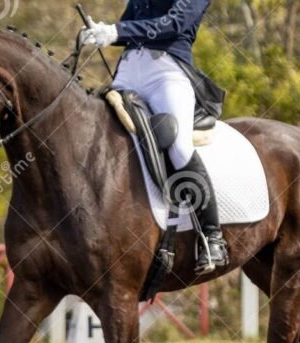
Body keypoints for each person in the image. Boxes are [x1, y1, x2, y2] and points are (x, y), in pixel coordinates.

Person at [81, 0, 229, 273]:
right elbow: (128, 24)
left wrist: (115, 32)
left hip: (167, 73)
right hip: (128, 72)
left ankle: (211, 236)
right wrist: (99, 32)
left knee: (179, 147)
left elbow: (175, 24)